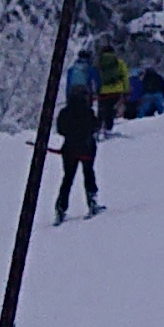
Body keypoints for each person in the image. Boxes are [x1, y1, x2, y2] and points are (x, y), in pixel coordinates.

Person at [52, 80, 105, 221]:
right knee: (88, 174)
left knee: (67, 178)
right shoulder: (88, 112)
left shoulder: (64, 113)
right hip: (86, 149)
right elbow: (95, 127)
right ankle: (92, 202)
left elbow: (60, 130)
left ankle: (60, 209)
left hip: (68, 149)